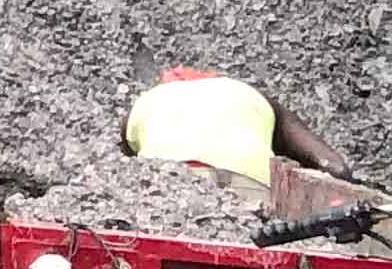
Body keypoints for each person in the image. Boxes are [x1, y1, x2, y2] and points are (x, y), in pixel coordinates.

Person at [121, 68, 349, 187]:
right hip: (252, 188)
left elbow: (121, 163)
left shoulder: (146, 101)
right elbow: (336, 168)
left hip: (164, 186)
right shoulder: (252, 96)